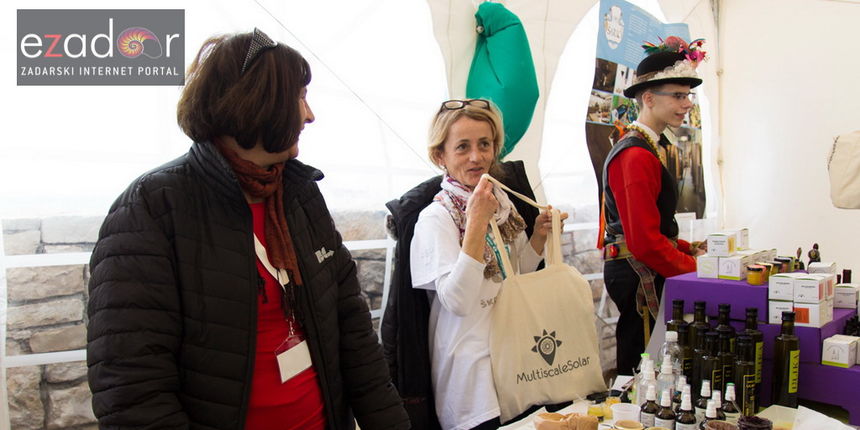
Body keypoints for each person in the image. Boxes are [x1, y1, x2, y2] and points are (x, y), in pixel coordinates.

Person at [86, 28, 409, 430]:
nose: (309, 115)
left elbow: (352, 331)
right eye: (300, 97)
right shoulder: (153, 207)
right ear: (260, 101)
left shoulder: (300, 194)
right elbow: (132, 387)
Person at [409, 99, 566, 430]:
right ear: (441, 156)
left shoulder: (502, 206)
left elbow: (515, 276)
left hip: (516, 362)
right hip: (471, 378)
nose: (476, 157)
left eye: (485, 144)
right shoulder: (436, 218)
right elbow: (458, 301)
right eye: (462, 147)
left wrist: (538, 236)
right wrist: (476, 224)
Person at [599, 38, 708, 376]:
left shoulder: (650, 146)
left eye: (688, 95)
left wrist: (692, 249)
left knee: (653, 357)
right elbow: (645, 240)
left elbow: (655, 226)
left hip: (640, 263)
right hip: (637, 269)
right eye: (677, 95)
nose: (686, 103)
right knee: (642, 360)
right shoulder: (635, 155)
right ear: (648, 98)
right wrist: (694, 267)